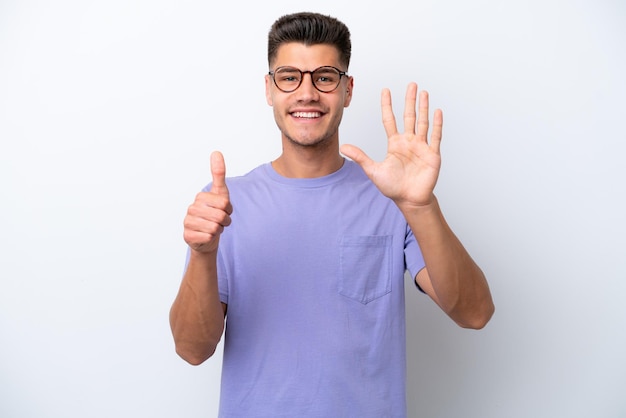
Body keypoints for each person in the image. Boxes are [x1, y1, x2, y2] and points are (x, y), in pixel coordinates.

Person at [170, 11, 494, 417]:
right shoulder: (223, 205)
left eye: (324, 76)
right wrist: (203, 254)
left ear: (347, 89)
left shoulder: (392, 200)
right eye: (289, 77)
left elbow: (475, 313)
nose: (307, 93)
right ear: (269, 90)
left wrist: (420, 206)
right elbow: (191, 350)